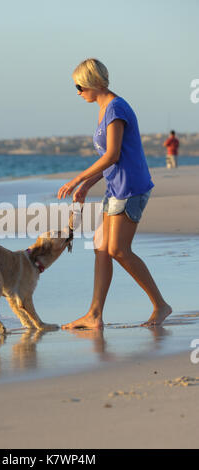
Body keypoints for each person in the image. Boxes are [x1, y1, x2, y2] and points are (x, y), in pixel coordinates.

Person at [57, 58, 172, 329]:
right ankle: (94, 315)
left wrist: (77, 179)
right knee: (101, 247)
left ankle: (161, 305)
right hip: (115, 187)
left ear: (91, 82)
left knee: (118, 250)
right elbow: (112, 160)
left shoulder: (116, 107)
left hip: (130, 188)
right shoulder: (104, 109)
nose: (77, 92)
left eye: (79, 86)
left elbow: (112, 154)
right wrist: (88, 184)